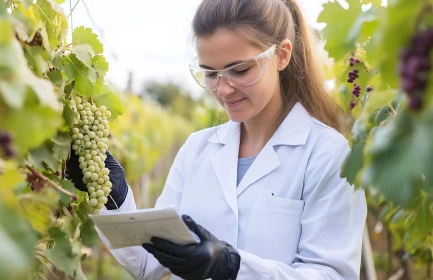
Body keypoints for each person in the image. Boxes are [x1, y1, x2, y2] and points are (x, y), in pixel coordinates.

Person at [67, 0, 368, 279]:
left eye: (240, 70)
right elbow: (149, 263)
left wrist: (234, 266)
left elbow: (332, 275)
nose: (223, 90)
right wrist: (116, 198)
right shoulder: (196, 150)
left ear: (281, 55)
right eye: (210, 74)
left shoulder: (327, 155)